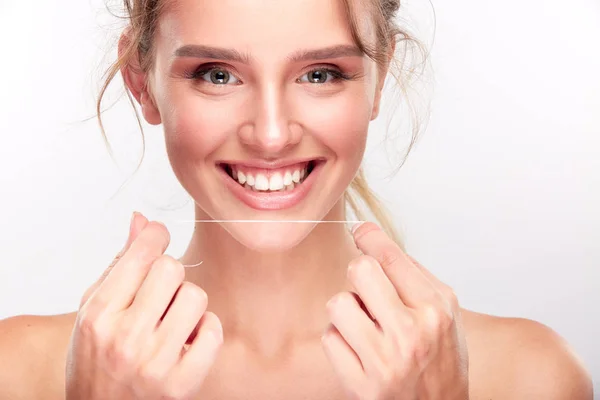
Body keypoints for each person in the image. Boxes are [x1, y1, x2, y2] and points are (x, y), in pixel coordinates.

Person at [0, 0, 593, 398]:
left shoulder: (529, 377)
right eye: (216, 74)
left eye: (320, 74)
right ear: (141, 82)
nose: (272, 133)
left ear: (379, 79)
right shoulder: (19, 373)